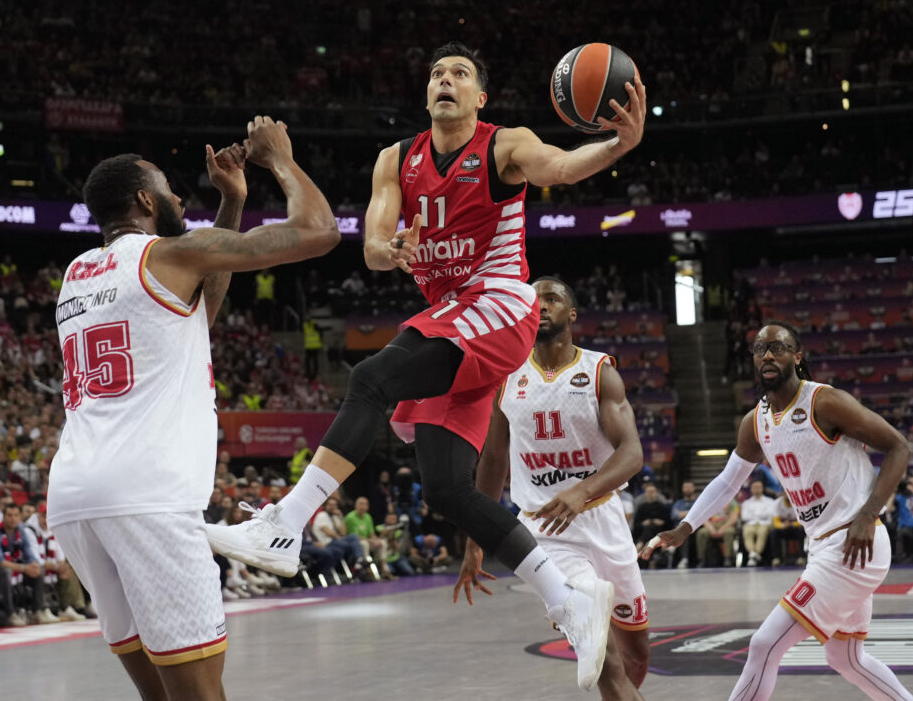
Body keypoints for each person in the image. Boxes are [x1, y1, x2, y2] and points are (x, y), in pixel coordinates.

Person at [205, 42, 646, 692]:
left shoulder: (504, 146)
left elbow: (560, 165)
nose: (446, 80)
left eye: (460, 74)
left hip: (499, 307)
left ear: (479, 98)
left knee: (369, 378)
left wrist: (615, 145)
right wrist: (389, 250)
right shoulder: (396, 159)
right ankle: (571, 601)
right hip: (454, 319)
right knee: (446, 491)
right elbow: (374, 244)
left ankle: (285, 525)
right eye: (438, 73)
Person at [47, 117, 338, 701]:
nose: (181, 198)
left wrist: (233, 202)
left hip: (75, 501)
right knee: (200, 694)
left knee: (160, 694)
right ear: (144, 200)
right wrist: (280, 158)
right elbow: (318, 230)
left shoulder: (77, 276)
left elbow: (193, 317)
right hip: (147, 496)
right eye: (170, 189)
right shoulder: (170, 254)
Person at [643, 321, 913, 700]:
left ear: (797, 357)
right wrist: (686, 526)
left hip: (854, 545)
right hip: (823, 546)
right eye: (760, 349)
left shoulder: (825, 402)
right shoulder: (755, 422)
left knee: (764, 644)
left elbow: (899, 447)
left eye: (778, 347)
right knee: (846, 657)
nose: (768, 355)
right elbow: (728, 482)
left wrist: (869, 514)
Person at [454, 277, 647, 698]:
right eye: (533, 299)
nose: (540, 306)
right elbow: (493, 461)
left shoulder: (599, 372)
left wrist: (581, 491)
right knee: (603, 659)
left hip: (603, 517)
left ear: (571, 314)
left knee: (635, 656)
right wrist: (475, 537)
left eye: (552, 299)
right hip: (544, 529)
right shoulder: (506, 377)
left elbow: (632, 453)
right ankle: (581, 606)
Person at [739, 480, 775, 566]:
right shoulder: (746, 503)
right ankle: (753, 553)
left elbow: (770, 515)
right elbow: (744, 516)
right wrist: (761, 514)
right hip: (750, 523)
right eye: (755, 487)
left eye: (759, 487)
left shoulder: (770, 501)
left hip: (765, 523)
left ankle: (755, 555)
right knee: (747, 532)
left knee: (762, 532)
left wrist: (755, 514)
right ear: (751, 489)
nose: (757, 489)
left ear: (762, 488)